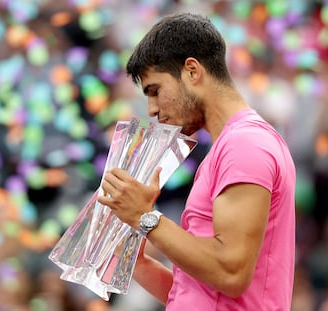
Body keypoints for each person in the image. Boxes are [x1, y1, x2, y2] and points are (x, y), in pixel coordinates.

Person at [97, 12, 296, 310]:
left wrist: (146, 218)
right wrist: (135, 260)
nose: (151, 109)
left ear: (192, 71)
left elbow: (231, 273)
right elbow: (196, 293)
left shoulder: (245, 144)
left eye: (156, 91)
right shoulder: (228, 146)